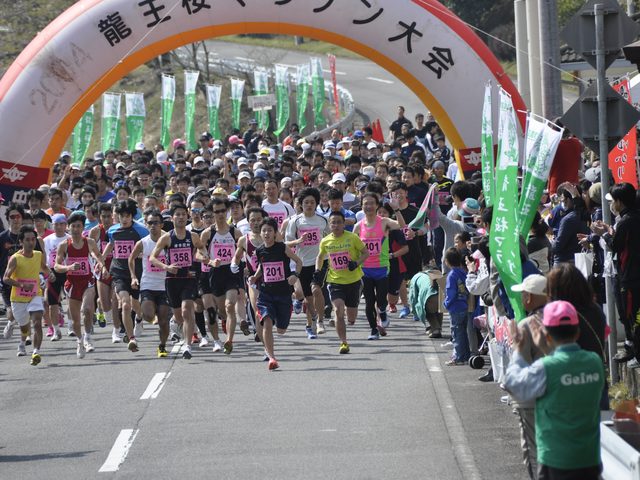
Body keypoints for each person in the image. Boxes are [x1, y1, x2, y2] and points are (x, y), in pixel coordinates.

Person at [504, 300, 604, 480]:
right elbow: (567, 370)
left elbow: (513, 384)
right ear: (578, 332)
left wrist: (519, 350)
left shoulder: (545, 368)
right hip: (589, 458)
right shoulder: (594, 362)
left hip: (556, 460)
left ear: (547, 336)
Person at [150, 204, 208, 359]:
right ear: (172, 217)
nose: (181, 217)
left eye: (183, 214)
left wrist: (204, 257)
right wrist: (166, 266)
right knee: (179, 315)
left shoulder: (193, 236)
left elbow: (201, 249)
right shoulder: (167, 237)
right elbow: (152, 257)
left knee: (186, 310)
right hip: (172, 280)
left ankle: (187, 346)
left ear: (187, 216)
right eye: (178, 214)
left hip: (188, 278)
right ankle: (174, 322)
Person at [591, 182, 640, 364]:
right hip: (633, 274)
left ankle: (636, 352)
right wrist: (611, 231)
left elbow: (616, 246)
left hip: (630, 277)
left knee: (631, 315)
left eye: (614, 200)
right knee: (635, 315)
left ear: (619, 201)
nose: (612, 204)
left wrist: (602, 234)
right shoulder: (632, 217)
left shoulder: (626, 221)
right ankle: (633, 349)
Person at [509, 274, 552, 479]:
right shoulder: (562, 319)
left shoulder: (527, 324)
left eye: (524, 293)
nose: (522, 297)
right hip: (558, 394)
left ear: (529, 297)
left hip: (531, 400)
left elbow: (519, 368)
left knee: (534, 452)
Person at [249, 217, 302, 370]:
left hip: (284, 293)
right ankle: (272, 357)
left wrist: (294, 275)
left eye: (269, 230)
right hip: (266, 293)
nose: (266, 233)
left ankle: (289, 309)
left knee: (281, 329)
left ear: (275, 233)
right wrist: (255, 276)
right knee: (266, 321)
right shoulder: (259, 250)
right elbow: (262, 267)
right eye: (264, 230)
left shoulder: (282, 248)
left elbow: (298, 262)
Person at [354, 192, 407, 339]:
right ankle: (373, 330)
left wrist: (396, 209)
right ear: (362, 206)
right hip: (365, 269)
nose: (369, 206)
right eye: (366, 204)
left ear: (377, 206)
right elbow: (353, 248)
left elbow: (402, 226)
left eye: (372, 203)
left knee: (381, 299)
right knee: (369, 301)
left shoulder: (384, 222)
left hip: (382, 268)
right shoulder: (358, 226)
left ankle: (382, 311)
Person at [315, 211, 369, 353]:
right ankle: (343, 342)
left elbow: (366, 253)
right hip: (335, 281)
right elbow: (320, 257)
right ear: (329, 224)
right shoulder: (325, 241)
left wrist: (356, 263)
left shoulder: (352, 238)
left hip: (354, 281)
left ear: (344, 223)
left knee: (351, 317)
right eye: (333, 222)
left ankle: (347, 317)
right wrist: (317, 270)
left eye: (339, 222)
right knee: (339, 310)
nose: (336, 225)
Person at [199, 198, 245, 354]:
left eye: (222, 211)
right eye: (216, 211)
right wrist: (210, 260)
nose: (220, 214)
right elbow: (199, 253)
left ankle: (229, 340)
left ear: (227, 211)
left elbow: (244, 250)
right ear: (212, 213)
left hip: (231, 272)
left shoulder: (235, 232)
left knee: (230, 305)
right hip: (215, 273)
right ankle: (224, 321)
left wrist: (242, 263)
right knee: (221, 310)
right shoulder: (207, 233)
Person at [102, 199, 149, 352]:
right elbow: (111, 244)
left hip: (135, 272)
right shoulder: (112, 230)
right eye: (122, 216)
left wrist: (143, 254)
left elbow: (148, 246)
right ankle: (131, 338)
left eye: (127, 216)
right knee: (125, 304)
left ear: (132, 216)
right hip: (119, 272)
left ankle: (139, 317)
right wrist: (101, 261)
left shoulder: (141, 230)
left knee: (135, 303)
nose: (124, 219)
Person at [3, 226, 54, 365]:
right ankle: (21, 341)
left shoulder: (38, 255)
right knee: (24, 326)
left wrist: (50, 274)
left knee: (37, 323)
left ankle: (36, 352)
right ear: (21, 242)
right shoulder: (15, 258)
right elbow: (5, 278)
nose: (31, 242)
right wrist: (22, 285)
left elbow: (44, 267)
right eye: (27, 240)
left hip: (35, 295)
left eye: (32, 239)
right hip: (18, 298)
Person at [54, 212, 104, 357]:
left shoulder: (89, 242)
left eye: (79, 226)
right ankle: (79, 340)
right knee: (76, 320)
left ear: (83, 228)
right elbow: (56, 266)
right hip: (72, 284)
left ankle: (88, 338)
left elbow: (97, 255)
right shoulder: (64, 245)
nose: (76, 229)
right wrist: (68, 268)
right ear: (68, 228)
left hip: (87, 281)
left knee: (87, 310)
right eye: (73, 226)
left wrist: (102, 266)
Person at [285, 187, 329, 338]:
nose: (309, 205)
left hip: (320, 261)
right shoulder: (295, 221)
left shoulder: (323, 220)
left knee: (316, 290)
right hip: (302, 263)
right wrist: (298, 241)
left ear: (316, 203)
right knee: (308, 298)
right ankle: (312, 321)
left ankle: (320, 322)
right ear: (300, 204)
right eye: (306, 202)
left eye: (312, 202)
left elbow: (331, 239)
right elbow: (287, 244)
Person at [129, 209, 171, 357]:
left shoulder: (168, 239)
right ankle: (140, 318)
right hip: (148, 284)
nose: (153, 225)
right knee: (148, 315)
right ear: (146, 224)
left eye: (156, 223)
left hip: (165, 285)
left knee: (163, 320)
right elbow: (131, 259)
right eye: (150, 223)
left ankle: (162, 346)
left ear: (161, 224)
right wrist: (134, 277)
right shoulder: (143, 243)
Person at [43, 213, 69, 341]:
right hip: (52, 272)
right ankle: (55, 329)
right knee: (51, 302)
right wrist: (47, 273)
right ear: (52, 225)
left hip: (68, 272)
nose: (59, 227)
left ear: (65, 225)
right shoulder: (47, 240)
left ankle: (71, 326)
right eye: (56, 224)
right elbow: (44, 260)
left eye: (61, 224)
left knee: (71, 301)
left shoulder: (70, 239)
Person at [443, 248, 470, 365]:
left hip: (455, 307)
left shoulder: (451, 275)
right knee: (463, 332)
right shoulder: (463, 272)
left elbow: (451, 292)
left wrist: (446, 303)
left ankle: (458, 357)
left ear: (447, 261)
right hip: (464, 305)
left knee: (456, 333)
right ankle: (465, 355)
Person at [1, 203, 24, 339]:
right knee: (11, 311)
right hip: (7, 280)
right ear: (8, 218)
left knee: (25, 313)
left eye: (18, 216)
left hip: (25, 280)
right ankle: (10, 323)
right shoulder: (2, 238)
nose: (15, 219)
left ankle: (24, 341)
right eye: (12, 216)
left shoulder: (28, 236)